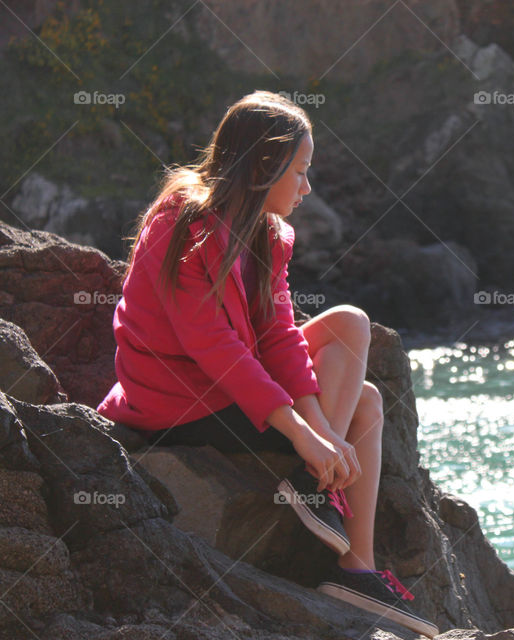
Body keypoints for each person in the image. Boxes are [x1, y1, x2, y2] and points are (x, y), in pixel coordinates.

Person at [96, 90, 438, 638]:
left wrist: (321, 431)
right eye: (299, 172)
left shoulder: (269, 232)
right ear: (262, 167)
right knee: (364, 403)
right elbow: (217, 349)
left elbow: (278, 335)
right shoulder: (180, 223)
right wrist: (301, 433)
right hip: (178, 400)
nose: (307, 187)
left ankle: (355, 563)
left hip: (230, 384)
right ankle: (319, 492)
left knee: (352, 332)